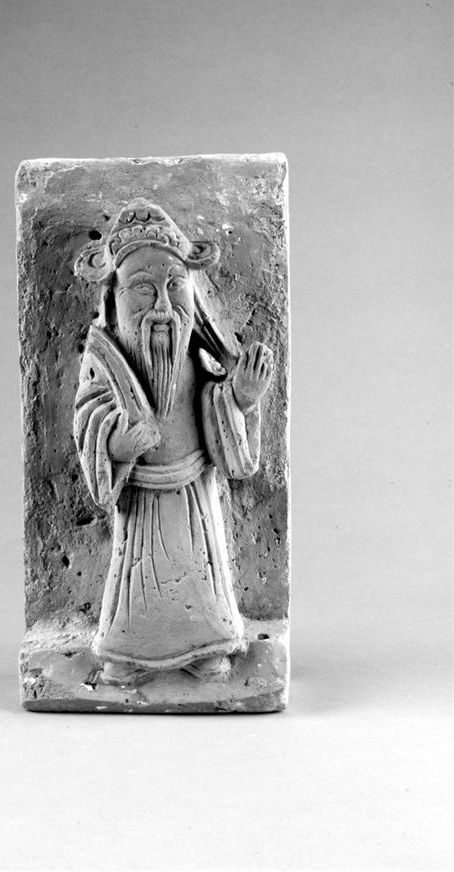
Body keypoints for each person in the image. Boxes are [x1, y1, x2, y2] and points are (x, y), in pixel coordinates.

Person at [73, 200, 272, 683]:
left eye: (175, 286)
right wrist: (115, 446)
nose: (162, 307)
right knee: (135, 588)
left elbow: (216, 403)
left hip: (192, 494)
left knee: (199, 578)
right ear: (116, 297)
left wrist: (241, 398)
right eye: (144, 289)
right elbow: (88, 415)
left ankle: (207, 646)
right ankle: (128, 653)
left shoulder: (194, 356)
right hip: (140, 501)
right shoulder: (105, 359)